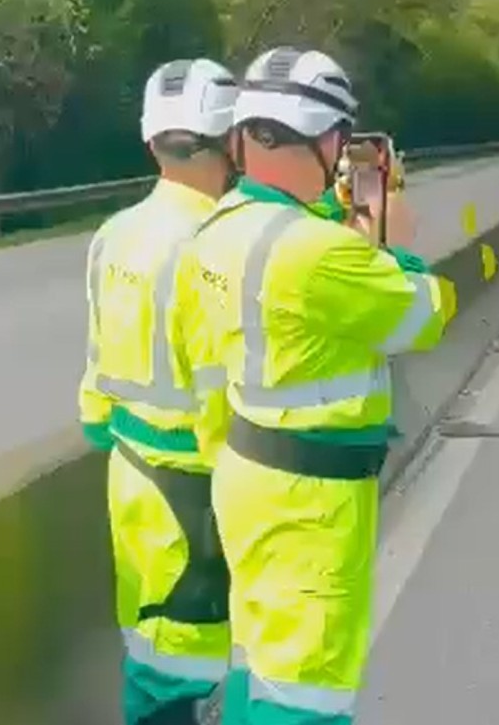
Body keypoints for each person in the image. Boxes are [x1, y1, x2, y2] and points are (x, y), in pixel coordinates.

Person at [179, 47, 455, 724]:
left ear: (244, 135)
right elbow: (424, 312)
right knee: (306, 689)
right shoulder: (318, 252)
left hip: (245, 473)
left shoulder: (218, 231)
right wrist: (396, 239)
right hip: (313, 503)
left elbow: (206, 365)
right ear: (327, 140)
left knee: (260, 661)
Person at [78, 58, 241, 724]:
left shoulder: (112, 234)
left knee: (148, 649)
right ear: (233, 143)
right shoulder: (219, 244)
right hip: (199, 487)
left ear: (151, 142)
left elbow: (96, 378)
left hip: (130, 476)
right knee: (200, 663)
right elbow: (226, 390)